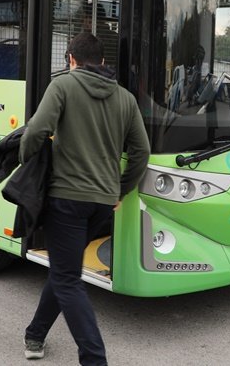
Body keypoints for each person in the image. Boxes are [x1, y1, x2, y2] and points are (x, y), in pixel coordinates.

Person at [19, 32, 150, 364]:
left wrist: (24, 160)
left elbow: (36, 131)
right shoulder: (125, 98)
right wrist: (120, 190)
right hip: (103, 203)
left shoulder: (63, 85)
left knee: (66, 278)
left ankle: (94, 358)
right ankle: (35, 335)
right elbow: (142, 152)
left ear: (71, 59)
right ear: (103, 61)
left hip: (67, 200)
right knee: (65, 269)